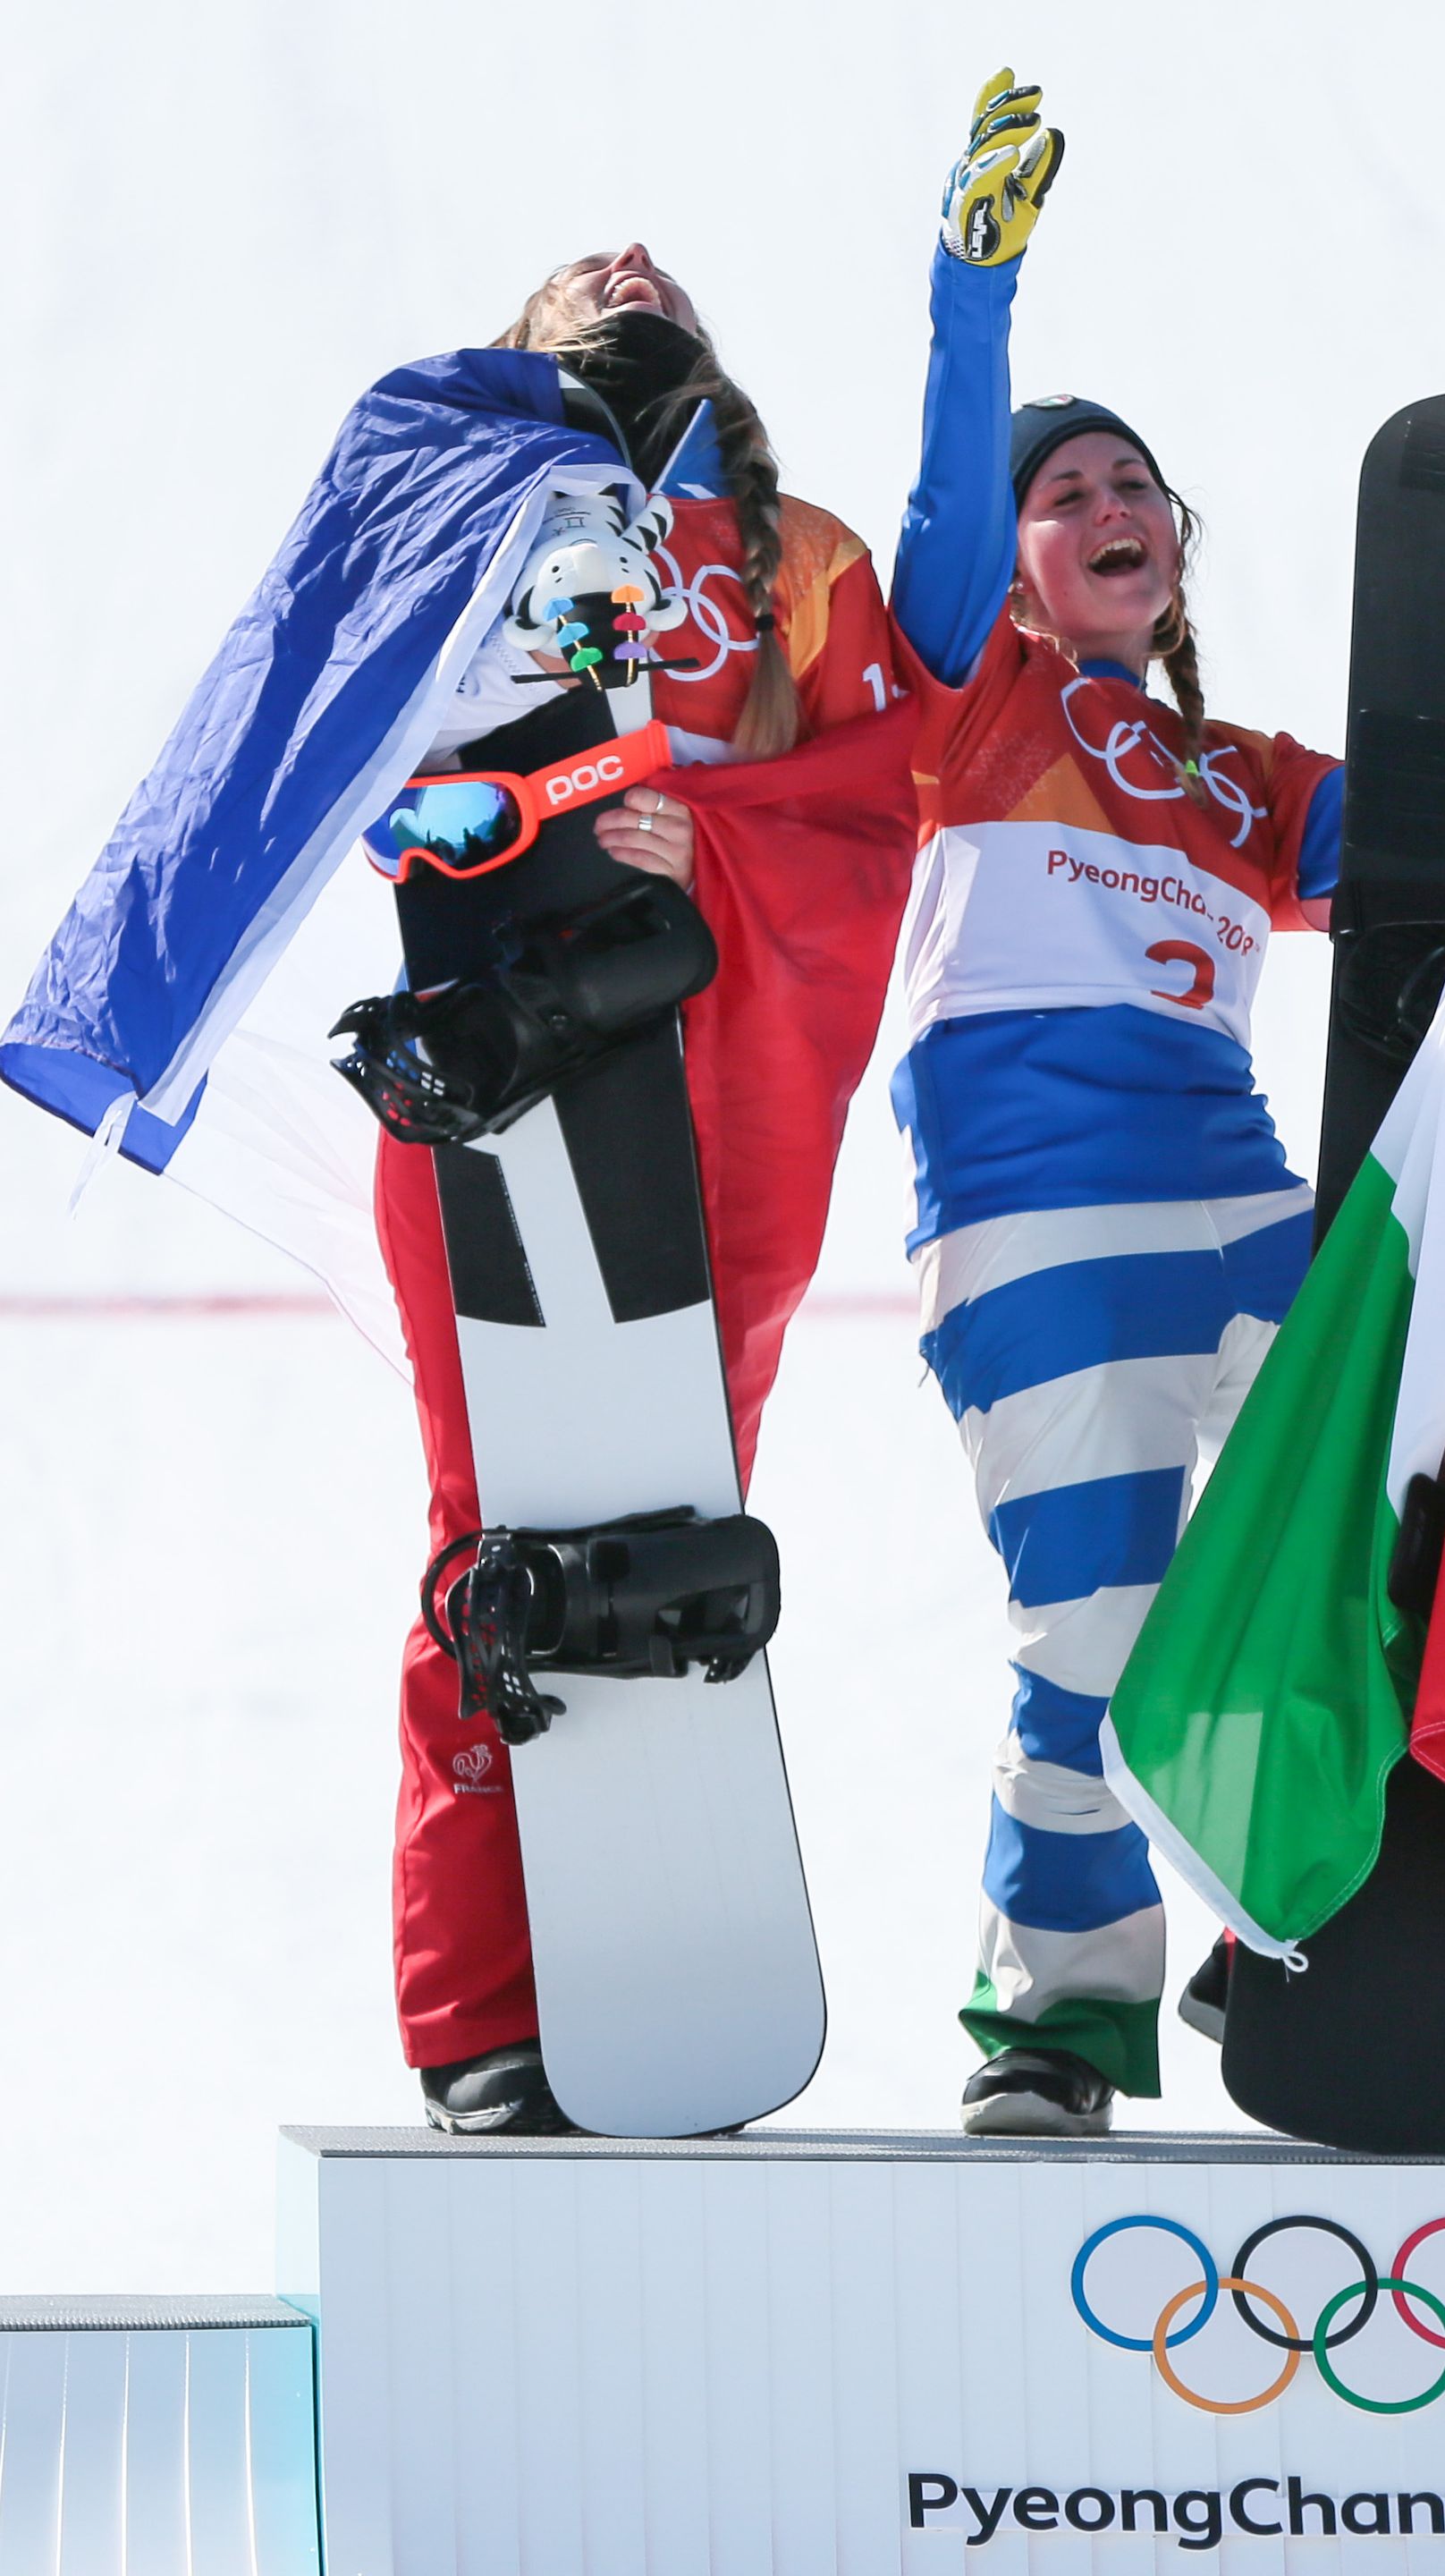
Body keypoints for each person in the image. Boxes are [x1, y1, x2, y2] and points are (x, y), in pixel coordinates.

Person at [7, 243, 920, 2135]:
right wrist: (518, 830)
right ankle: (482, 2014)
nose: (625, 256)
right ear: (514, 344)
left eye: (655, 262)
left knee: (664, 1494)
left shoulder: (796, 554)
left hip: (721, 1077)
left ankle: (651, 1967)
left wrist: (710, 836)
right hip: (505, 1058)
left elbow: (880, 787)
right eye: (578, 264)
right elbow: (347, 768)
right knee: (495, 1515)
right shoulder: (454, 503)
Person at [877, 73, 1348, 2138]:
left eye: (1133, 484)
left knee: (1368, 1547)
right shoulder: (967, 689)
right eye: (1065, 491)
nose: (1105, 506)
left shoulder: (1243, 773)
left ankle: (1297, 1924)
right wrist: (973, 294)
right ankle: (1059, 2030)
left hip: (1243, 1203)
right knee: (1093, 1631)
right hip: (1039, 1224)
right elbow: (946, 534)